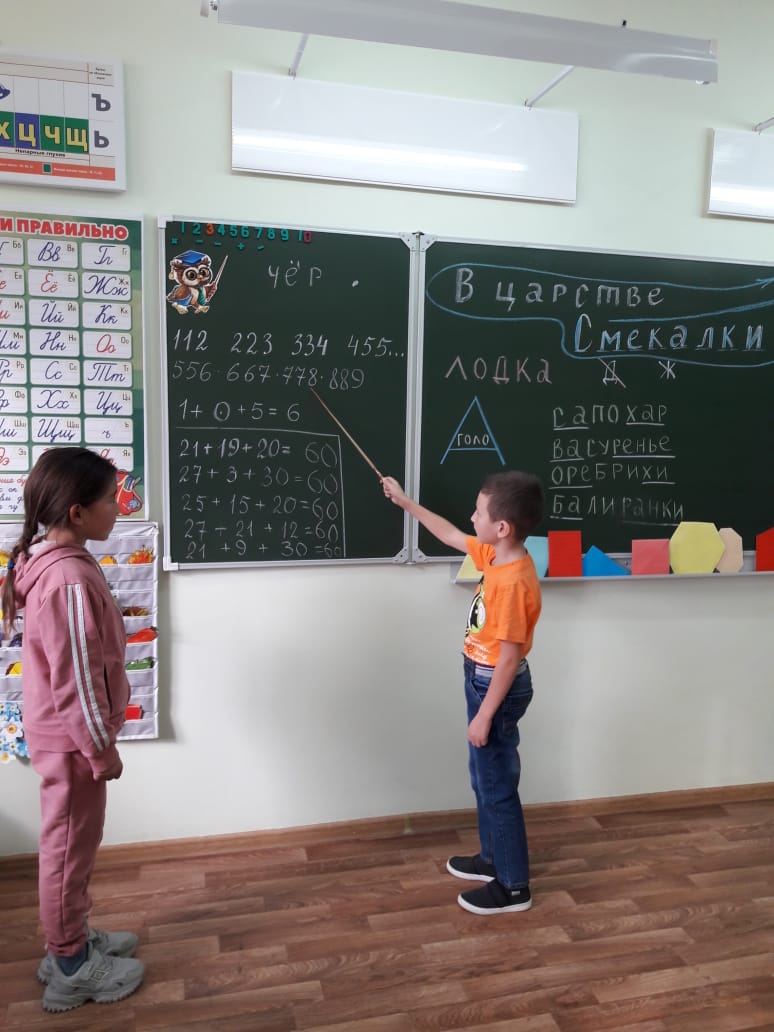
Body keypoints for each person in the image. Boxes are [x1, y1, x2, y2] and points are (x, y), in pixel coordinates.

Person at [2, 447, 144, 1013]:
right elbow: (78, 680)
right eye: (110, 500)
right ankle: (70, 967)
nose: (119, 508)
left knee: (75, 846)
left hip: (67, 740)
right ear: (78, 512)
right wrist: (100, 748)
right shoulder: (66, 579)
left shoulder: (65, 563)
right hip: (72, 744)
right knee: (67, 852)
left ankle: (73, 939)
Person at [382, 470, 543, 915]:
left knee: (497, 786)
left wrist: (485, 716)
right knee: (484, 778)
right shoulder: (497, 555)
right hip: (482, 678)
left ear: (502, 527)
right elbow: (450, 534)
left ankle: (513, 887)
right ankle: (493, 859)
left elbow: (508, 659)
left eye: (479, 512)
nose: (472, 518)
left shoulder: (513, 582)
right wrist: (406, 503)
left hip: (495, 687)